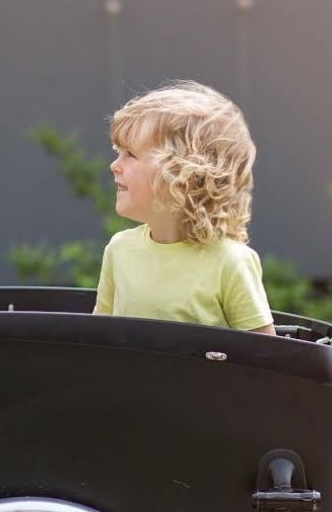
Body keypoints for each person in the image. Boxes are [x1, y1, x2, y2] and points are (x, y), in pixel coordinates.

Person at [94, 80, 275, 334]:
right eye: (118, 152)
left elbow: (265, 362)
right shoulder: (119, 250)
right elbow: (99, 340)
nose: (114, 165)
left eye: (130, 154)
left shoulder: (230, 262)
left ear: (185, 175)